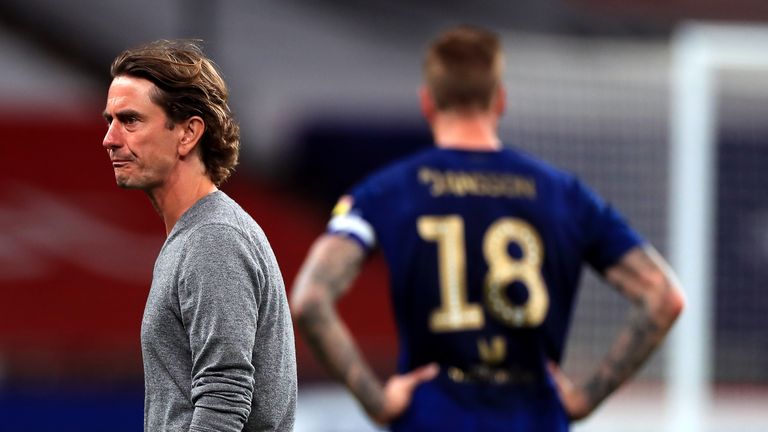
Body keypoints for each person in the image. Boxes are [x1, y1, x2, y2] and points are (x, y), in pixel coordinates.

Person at [290, 26, 684, 431]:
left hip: (434, 415)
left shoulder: (390, 190)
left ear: (428, 103)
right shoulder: (563, 193)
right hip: (533, 414)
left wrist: (376, 400)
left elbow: (310, 299)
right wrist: (585, 397)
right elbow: (663, 295)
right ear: (500, 101)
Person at [102, 40, 296, 431]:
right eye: (109, 120)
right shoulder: (196, 234)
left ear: (188, 133)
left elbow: (224, 397)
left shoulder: (214, 239)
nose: (109, 138)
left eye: (131, 120)